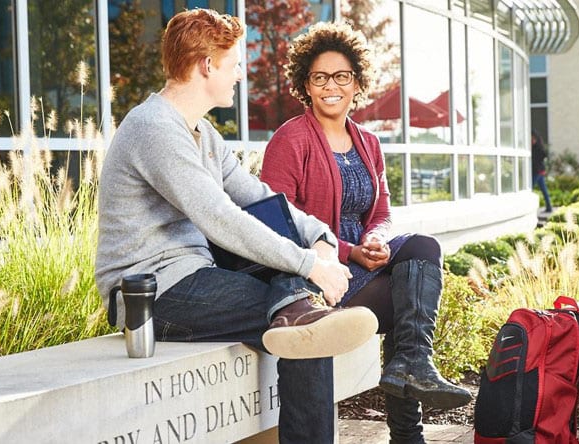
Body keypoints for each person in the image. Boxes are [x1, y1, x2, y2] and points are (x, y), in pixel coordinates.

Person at [94, 9, 379, 443]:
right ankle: (302, 313)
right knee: (306, 318)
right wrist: (310, 265)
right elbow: (220, 217)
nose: (241, 74)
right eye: (234, 63)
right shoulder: (154, 128)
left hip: (198, 276)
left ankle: (300, 313)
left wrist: (319, 237)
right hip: (153, 293)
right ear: (207, 65)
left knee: (301, 316)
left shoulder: (202, 134)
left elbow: (259, 197)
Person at [259, 22, 472, 444]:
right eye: (320, 77)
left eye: (341, 76)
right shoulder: (291, 139)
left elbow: (383, 211)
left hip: (364, 262)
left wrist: (375, 238)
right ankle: (408, 431)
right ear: (306, 84)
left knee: (422, 251)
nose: (331, 86)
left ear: (357, 83)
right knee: (406, 292)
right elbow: (277, 224)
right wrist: (349, 251)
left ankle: (413, 364)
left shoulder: (368, 142)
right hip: (321, 276)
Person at [531, 130, 553, 213]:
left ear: (536, 139)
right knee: (544, 190)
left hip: (538, 172)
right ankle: (549, 207)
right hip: (538, 171)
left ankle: (548, 207)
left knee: (529, 189)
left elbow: (542, 156)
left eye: (533, 139)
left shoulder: (538, 148)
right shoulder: (532, 148)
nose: (532, 140)